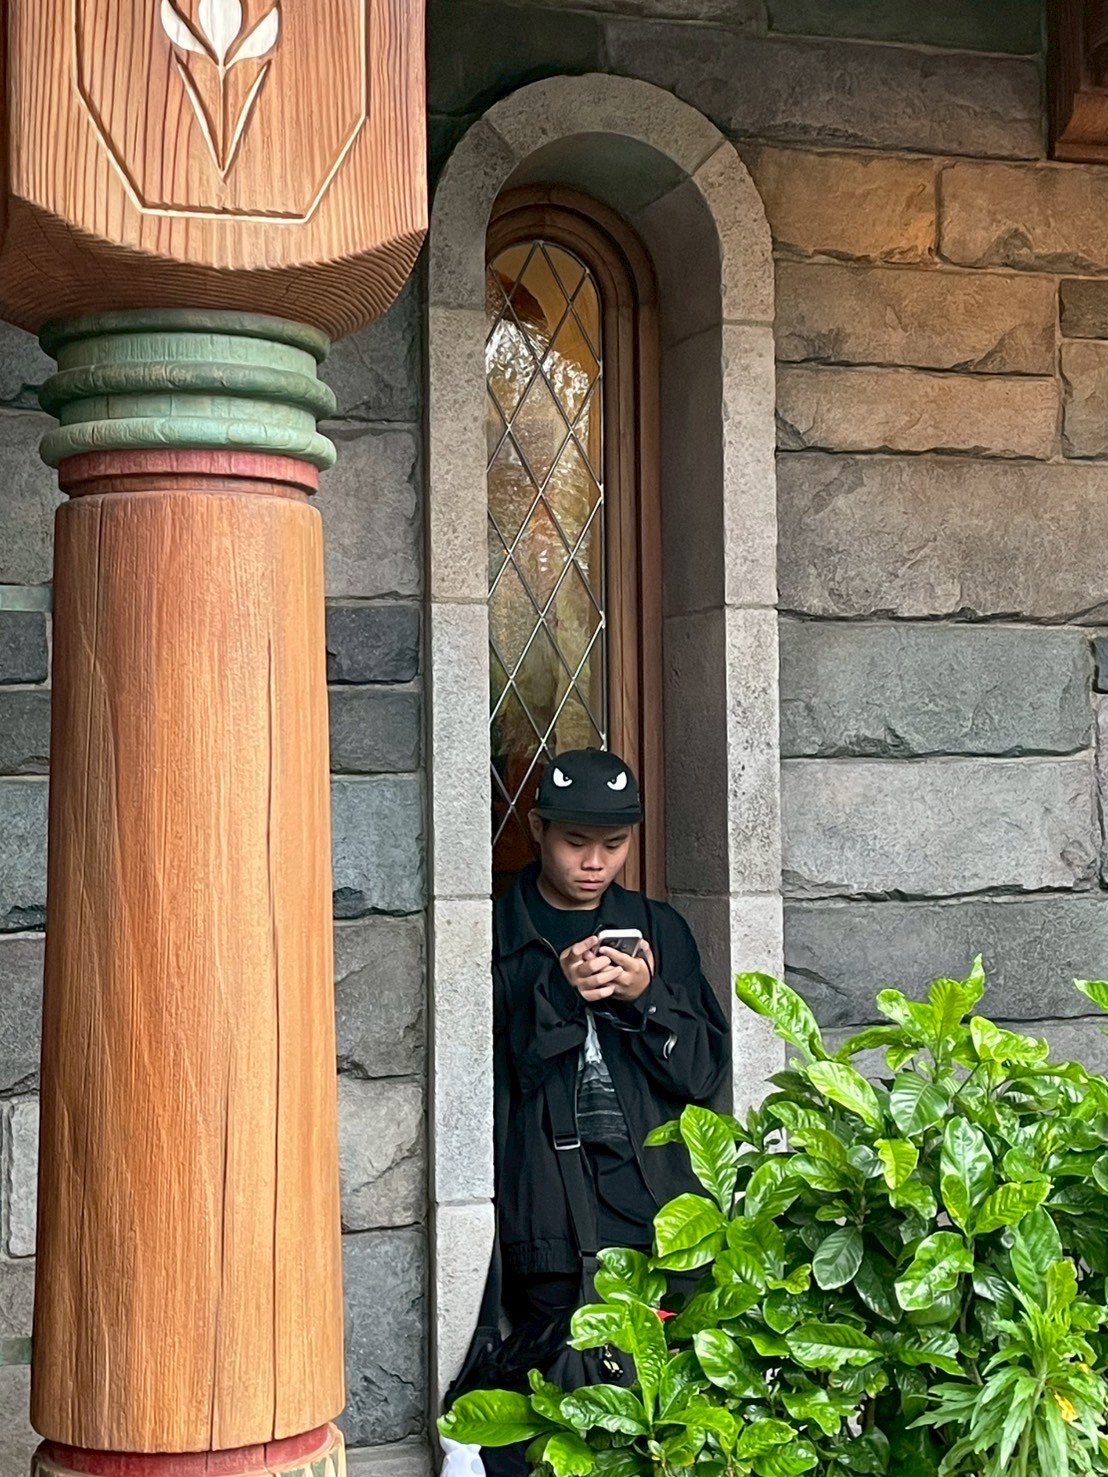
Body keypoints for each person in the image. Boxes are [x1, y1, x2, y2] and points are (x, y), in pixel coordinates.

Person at [457, 747, 730, 1471]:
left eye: (614, 844)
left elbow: (704, 1073)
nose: (594, 863)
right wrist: (556, 990)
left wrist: (647, 997)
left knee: (669, 1409)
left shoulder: (658, 928)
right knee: (556, 1411)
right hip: (548, 1216)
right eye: (576, 842)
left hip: (656, 1209)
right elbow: (487, 1078)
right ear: (538, 830)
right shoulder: (496, 930)